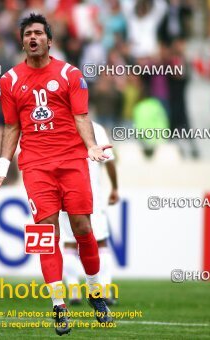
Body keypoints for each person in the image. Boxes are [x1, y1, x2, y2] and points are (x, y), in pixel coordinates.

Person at [0, 13, 113, 336]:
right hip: (36, 165)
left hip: (71, 161)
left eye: (39, 33)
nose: (33, 38)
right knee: (46, 233)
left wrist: (91, 146)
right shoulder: (10, 80)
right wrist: (2, 166)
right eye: (28, 34)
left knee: (83, 227)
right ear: (23, 41)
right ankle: (58, 305)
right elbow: (12, 127)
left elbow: (81, 116)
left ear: (49, 41)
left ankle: (95, 291)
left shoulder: (70, 74)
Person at [60, 121, 119, 306]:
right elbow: (109, 160)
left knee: (70, 243)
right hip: (91, 193)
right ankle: (105, 291)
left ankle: (74, 292)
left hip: (63, 191)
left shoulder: (59, 125)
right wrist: (115, 187)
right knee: (100, 241)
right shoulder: (96, 128)